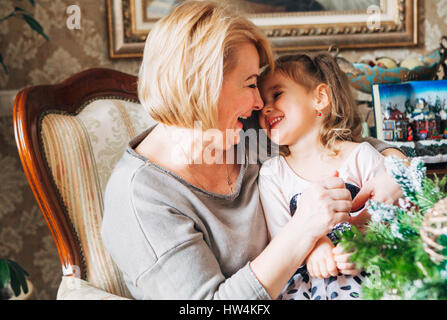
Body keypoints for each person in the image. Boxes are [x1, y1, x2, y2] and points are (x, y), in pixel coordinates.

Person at [101, 0, 406, 300]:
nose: (260, 104)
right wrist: (303, 231)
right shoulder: (141, 199)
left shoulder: (244, 139)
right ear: (204, 86)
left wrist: (394, 169)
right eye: (250, 85)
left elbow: (332, 145)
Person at [257, 52, 403, 300]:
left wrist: (363, 249)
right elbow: (281, 238)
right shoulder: (273, 173)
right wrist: (315, 248)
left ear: (320, 98)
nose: (265, 108)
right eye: (261, 103)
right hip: (307, 287)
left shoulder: (361, 156)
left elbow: (396, 218)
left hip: (372, 281)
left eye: (277, 94)